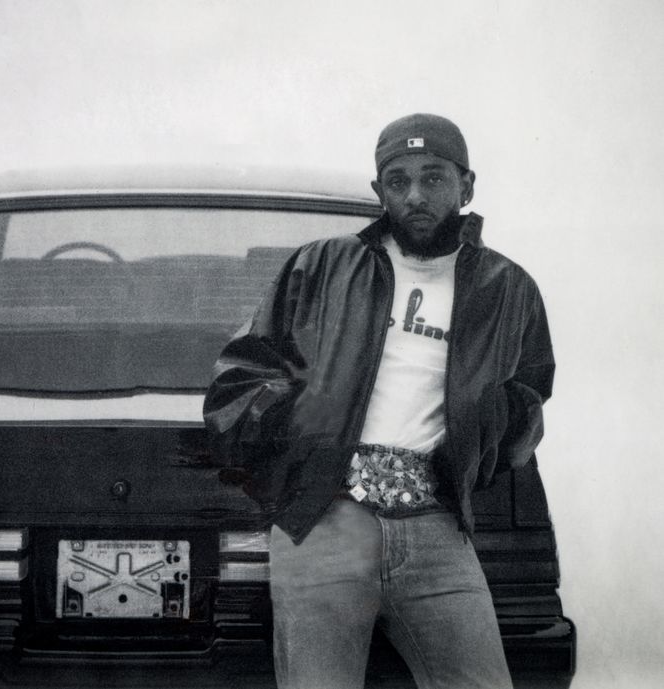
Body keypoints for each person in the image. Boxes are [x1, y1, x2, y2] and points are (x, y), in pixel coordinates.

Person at [203, 113, 554, 689]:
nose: (415, 195)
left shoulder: (508, 289)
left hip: (437, 525)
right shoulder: (322, 265)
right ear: (379, 191)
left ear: (466, 186)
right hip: (326, 520)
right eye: (398, 180)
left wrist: (473, 455)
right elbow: (239, 380)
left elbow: (528, 394)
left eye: (433, 177)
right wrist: (306, 454)